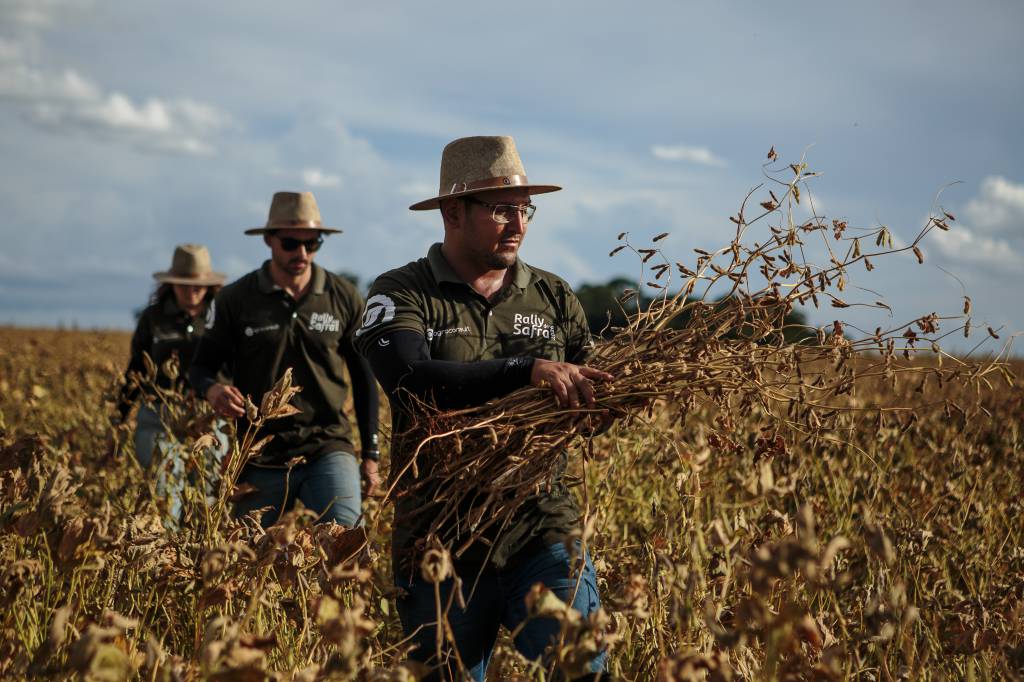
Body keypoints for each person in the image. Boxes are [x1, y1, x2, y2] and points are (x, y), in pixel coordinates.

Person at [355, 136, 612, 679]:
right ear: (452, 211)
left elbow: (591, 389)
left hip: (543, 529)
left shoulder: (555, 295)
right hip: (440, 543)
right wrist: (527, 370)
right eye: (501, 210)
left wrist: (606, 398)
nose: (517, 223)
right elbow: (410, 380)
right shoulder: (402, 292)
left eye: (524, 210)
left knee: (584, 669)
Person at [189, 191, 381, 528]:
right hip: (259, 452)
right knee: (246, 559)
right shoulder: (237, 298)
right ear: (268, 240)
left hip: (327, 444)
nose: (302, 254)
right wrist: (213, 391)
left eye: (313, 243)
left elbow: (365, 379)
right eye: (291, 243)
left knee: (344, 543)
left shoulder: (344, 297)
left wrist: (370, 455)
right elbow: (201, 368)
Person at [116, 243, 226, 521]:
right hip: (159, 417)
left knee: (206, 497)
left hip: (208, 418)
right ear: (172, 284)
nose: (192, 293)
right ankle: (165, 557)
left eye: (198, 287)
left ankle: (201, 557)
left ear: (209, 287)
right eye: (185, 286)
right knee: (165, 495)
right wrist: (120, 415)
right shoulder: (153, 318)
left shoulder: (221, 317)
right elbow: (136, 369)